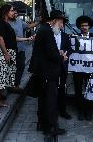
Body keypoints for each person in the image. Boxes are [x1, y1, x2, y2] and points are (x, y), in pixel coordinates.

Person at [29, 10, 68, 138]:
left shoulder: (43, 29)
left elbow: (47, 51)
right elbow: (51, 53)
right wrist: (62, 57)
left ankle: (42, 123)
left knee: (43, 99)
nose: (62, 26)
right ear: (54, 21)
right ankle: (51, 128)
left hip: (43, 72)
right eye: (61, 23)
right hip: (47, 73)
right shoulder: (47, 32)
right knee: (50, 101)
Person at [8, 9, 38, 90]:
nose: (14, 13)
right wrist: (27, 38)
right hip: (9, 49)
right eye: (12, 11)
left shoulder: (19, 21)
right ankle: (8, 86)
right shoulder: (5, 23)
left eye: (15, 11)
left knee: (21, 66)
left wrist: (39, 21)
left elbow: (28, 26)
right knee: (10, 68)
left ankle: (16, 85)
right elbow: (12, 38)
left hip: (21, 48)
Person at [73, 15, 93, 121]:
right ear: (79, 27)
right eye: (82, 25)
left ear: (89, 26)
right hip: (78, 69)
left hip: (90, 69)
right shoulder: (75, 37)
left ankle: (89, 111)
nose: (84, 27)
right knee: (78, 90)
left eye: (86, 25)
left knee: (90, 90)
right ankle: (81, 111)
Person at [55, 17, 72, 120]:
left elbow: (69, 48)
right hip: (52, 66)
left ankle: (63, 110)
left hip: (62, 65)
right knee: (52, 89)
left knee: (62, 88)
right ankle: (53, 109)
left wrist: (64, 52)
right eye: (60, 23)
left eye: (62, 23)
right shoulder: (49, 35)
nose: (61, 25)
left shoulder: (65, 36)